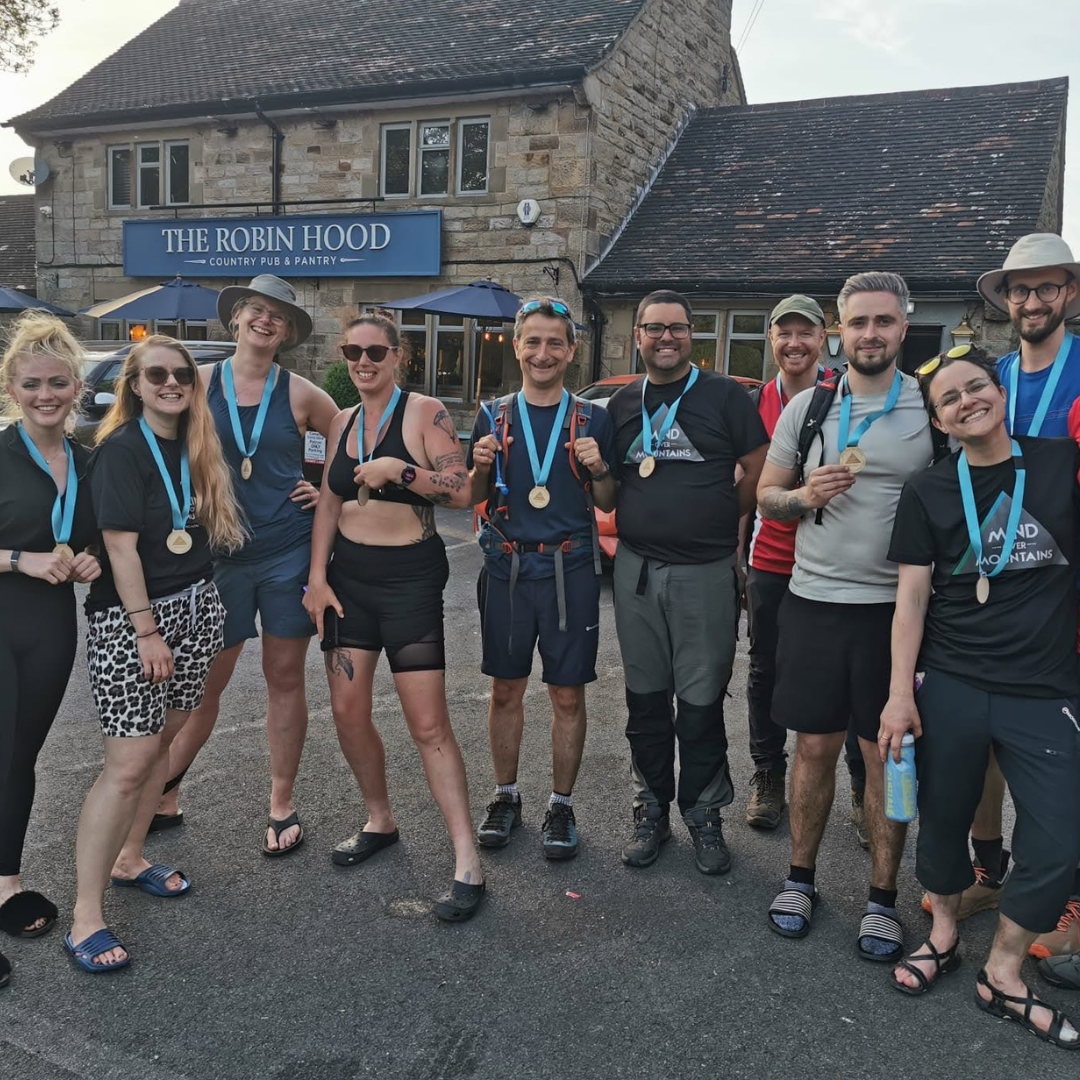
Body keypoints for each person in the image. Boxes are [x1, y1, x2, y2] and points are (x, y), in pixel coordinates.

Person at [882, 345, 1080, 1050]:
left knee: (1061, 835)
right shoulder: (929, 489)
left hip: (1044, 686)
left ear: (1000, 392)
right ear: (940, 421)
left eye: (976, 388)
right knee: (941, 820)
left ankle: (1004, 967)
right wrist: (899, 695)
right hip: (953, 680)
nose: (968, 402)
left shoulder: (1059, 463)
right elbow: (911, 599)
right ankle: (941, 933)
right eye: (951, 400)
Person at [757, 271, 932, 960]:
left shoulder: (928, 407)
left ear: (903, 326)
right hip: (814, 603)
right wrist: (801, 496)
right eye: (858, 322)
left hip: (895, 613)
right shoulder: (811, 407)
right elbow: (766, 496)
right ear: (839, 328)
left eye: (883, 322)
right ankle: (800, 879)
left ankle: (883, 898)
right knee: (814, 749)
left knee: (885, 755)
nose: (870, 334)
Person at [67, 337, 245, 972]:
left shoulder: (196, 445)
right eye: (157, 374)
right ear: (135, 386)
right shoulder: (119, 450)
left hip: (196, 604)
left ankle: (131, 856)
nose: (172, 382)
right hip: (134, 620)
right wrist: (147, 633)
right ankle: (85, 916)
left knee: (165, 743)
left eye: (183, 373)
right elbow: (118, 550)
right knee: (128, 763)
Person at [303, 310, 485, 921]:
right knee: (348, 714)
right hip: (347, 583)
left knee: (427, 723)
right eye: (353, 351)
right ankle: (379, 819)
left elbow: (464, 491)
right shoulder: (342, 420)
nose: (363, 363)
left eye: (376, 352)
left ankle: (467, 860)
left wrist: (400, 471)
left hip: (409, 579)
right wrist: (317, 579)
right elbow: (328, 502)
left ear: (398, 355)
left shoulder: (425, 411)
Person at [155, 275, 337, 857]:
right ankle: (164, 792)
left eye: (277, 317)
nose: (264, 321)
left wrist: (325, 489)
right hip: (216, 557)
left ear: (286, 333)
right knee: (204, 685)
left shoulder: (305, 394)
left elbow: (350, 444)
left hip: (287, 552)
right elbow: (154, 445)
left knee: (284, 678)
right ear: (235, 319)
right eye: (255, 311)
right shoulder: (198, 383)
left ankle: (281, 802)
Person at [935, 235, 1080, 940]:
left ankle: (1069, 894)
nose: (1031, 301)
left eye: (1045, 288)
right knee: (987, 732)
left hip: (1066, 587)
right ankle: (989, 872)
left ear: (1068, 295)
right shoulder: (990, 375)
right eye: (1019, 290)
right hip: (990, 580)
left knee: (1059, 746)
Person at [605, 290, 768, 874]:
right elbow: (612, 485)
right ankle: (651, 808)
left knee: (700, 703)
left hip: (704, 573)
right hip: (637, 571)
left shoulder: (724, 395)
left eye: (676, 328)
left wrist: (724, 515)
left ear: (692, 334)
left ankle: (703, 814)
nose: (665, 338)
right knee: (645, 701)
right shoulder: (622, 403)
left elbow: (757, 467)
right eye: (654, 329)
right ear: (639, 336)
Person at [467, 298, 615, 860]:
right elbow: (476, 498)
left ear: (572, 351)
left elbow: (607, 500)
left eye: (555, 342)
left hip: (569, 567)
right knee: (505, 688)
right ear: (517, 346)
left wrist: (600, 468)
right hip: (506, 566)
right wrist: (479, 465)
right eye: (533, 341)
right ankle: (505, 796)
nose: (543, 353)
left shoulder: (593, 418)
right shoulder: (494, 414)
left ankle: (562, 804)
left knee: (567, 694)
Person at [0, 314, 99, 980]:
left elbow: (101, 533)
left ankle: (4, 883)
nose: (45, 395)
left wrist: (89, 557)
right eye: (32, 383)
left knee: (21, 756)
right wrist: (18, 559)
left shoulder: (89, 461)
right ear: (11, 386)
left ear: (75, 387)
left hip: (51, 626)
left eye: (56, 383)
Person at [742, 295, 833, 830]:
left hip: (833, 560)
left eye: (806, 332)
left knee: (839, 673)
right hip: (770, 559)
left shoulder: (845, 393)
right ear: (771, 340)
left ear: (824, 337)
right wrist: (737, 561)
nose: (794, 342)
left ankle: (859, 784)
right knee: (766, 668)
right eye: (784, 333)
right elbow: (743, 487)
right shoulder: (754, 402)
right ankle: (768, 774)